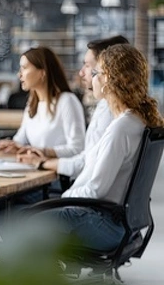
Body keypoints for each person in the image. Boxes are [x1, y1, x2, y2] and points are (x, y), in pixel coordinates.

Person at [24, 43, 163, 251]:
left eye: (96, 72)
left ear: (108, 79)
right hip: (120, 223)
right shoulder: (135, 121)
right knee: (34, 216)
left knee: (22, 224)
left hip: (104, 223)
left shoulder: (121, 128)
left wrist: (62, 199)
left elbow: (96, 190)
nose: (91, 78)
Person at [18, 36, 129, 179]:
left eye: (89, 66)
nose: (81, 72)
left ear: (107, 71)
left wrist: (43, 161)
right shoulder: (107, 108)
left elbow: (87, 165)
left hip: (67, 185)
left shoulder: (113, 115)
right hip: (73, 185)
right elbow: (88, 160)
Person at [0, 46, 85, 159]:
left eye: (24, 68)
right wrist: (13, 145)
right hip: (36, 169)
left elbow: (77, 148)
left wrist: (43, 152)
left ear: (42, 72)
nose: (19, 74)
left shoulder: (67, 101)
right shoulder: (32, 102)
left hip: (58, 173)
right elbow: (21, 139)